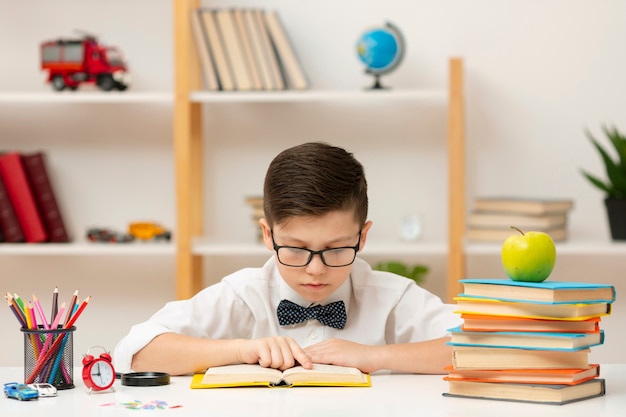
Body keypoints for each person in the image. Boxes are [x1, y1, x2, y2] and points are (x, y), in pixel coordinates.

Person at [114, 142, 461, 376]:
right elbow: (136, 352)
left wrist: (375, 356)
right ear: (268, 235)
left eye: (336, 249)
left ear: (362, 237)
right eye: (295, 248)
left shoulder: (389, 296)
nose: (315, 269)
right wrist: (242, 350)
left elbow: (484, 343)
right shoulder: (243, 294)